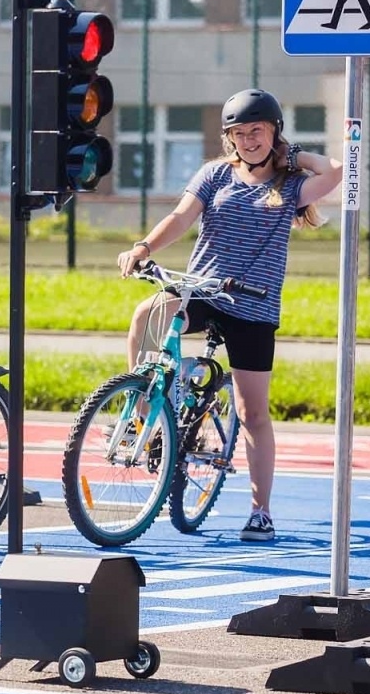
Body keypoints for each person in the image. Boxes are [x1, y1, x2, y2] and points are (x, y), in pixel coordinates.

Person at [118, 88, 344, 543]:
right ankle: (147, 419)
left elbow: (336, 172)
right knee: (148, 315)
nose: (248, 140)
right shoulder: (215, 174)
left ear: (274, 131)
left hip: (253, 305)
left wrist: (291, 155)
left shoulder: (290, 185)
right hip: (202, 289)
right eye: (239, 133)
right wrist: (144, 247)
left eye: (257, 131)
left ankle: (260, 510)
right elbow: (182, 217)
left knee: (252, 410)